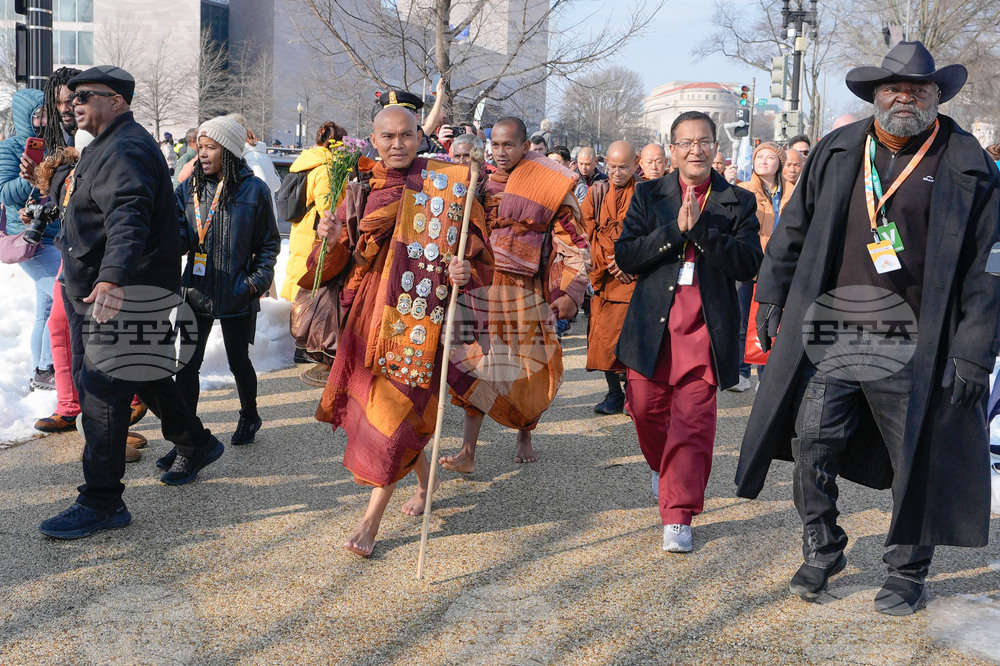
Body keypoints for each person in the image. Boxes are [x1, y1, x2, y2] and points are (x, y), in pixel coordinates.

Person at [736, 41, 1000, 615]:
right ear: (875, 95)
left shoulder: (967, 165)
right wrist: (772, 298)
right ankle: (823, 544)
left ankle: (907, 571)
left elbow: (989, 268)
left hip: (918, 342)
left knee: (917, 458)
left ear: (937, 96)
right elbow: (792, 232)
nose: (904, 96)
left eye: (918, 89)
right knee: (811, 442)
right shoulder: (837, 150)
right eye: (892, 88)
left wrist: (975, 351)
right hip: (835, 329)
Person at [40, 65, 225, 540]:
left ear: (117, 101)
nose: (74, 102)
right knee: (145, 373)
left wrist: (113, 279)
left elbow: (128, 218)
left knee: (102, 394)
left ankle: (102, 501)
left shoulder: (124, 147)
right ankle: (196, 443)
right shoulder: (106, 143)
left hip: (120, 293)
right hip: (106, 289)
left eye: (86, 95)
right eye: (71, 96)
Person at [312, 106, 491, 555]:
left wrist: (464, 267)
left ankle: (371, 521)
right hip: (368, 316)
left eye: (407, 135)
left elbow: (478, 253)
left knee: (393, 417)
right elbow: (326, 269)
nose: (398, 144)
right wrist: (328, 236)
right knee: (388, 413)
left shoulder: (445, 184)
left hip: (418, 319)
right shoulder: (357, 190)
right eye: (388, 136)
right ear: (373, 140)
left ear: (420, 137)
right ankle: (426, 482)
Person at [616, 111, 762, 553]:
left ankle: (678, 514)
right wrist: (673, 231)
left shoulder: (737, 200)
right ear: (673, 149)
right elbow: (627, 256)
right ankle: (666, 471)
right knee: (645, 410)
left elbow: (748, 264)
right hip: (653, 327)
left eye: (704, 142)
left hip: (705, 327)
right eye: (686, 142)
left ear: (716, 148)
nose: (695, 149)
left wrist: (701, 230)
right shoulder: (648, 195)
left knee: (693, 425)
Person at [443, 116, 591, 472]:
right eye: (495, 144)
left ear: (526, 146)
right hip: (481, 288)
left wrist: (571, 289)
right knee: (476, 365)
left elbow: (573, 241)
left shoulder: (549, 184)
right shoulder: (476, 184)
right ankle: (467, 451)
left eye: (509, 145)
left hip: (526, 293)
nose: (501, 151)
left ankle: (525, 431)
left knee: (526, 369)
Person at [173, 116, 280, 448]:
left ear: (230, 151)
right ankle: (188, 437)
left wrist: (252, 285)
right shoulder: (187, 188)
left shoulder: (255, 190)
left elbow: (268, 246)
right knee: (187, 366)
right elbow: (177, 238)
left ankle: (250, 415)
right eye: (200, 147)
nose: (202, 154)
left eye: (211, 148)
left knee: (238, 360)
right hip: (195, 290)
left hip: (237, 292)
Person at [2, 88, 60, 391]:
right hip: (28, 238)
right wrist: (29, 175)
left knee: (47, 307)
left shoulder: (57, 146)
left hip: (56, 233)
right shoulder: (10, 147)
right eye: (36, 114)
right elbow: (4, 193)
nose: (42, 120)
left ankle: (42, 370)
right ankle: (50, 367)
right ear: (24, 116)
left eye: (45, 113)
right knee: (63, 298)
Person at [582, 141, 637, 415]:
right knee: (603, 342)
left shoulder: (644, 193)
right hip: (605, 278)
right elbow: (584, 231)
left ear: (635, 164)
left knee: (630, 340)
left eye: (624, 167)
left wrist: (627, 261)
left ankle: (634, 396)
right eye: (613, 167)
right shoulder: (597, 191)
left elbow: (648, 235)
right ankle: (614, 394)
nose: (617, 172)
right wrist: (607, 262)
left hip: (632, 280)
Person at [732, 142, 792, 392]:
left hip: (778, 267)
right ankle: (741, 371)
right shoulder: (743, 191)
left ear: (780, 163)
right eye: (759, 157)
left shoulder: (793, 193)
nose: (764, 161)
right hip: (749, 266)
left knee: (772, 321)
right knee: (743, 319)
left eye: (770, 157)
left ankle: (765, 376)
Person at [281, 120, 347, 302]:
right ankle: (302, 319)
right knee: (308, 279)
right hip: (314, 232)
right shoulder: (327, 167)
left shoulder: (309, 160)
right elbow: (329, 207)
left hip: (301, 226)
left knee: (298, 270)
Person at [229, 113, 282, 219]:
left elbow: (261, 187)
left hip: (258, 220)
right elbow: (276, 185)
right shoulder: (262, 155)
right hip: (268, 217)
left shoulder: (249, 158)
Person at [41, 66, 82, 150]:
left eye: (69, 101)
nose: (63, 109)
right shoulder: (61, 139)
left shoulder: (96, 137)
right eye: (58, 103)